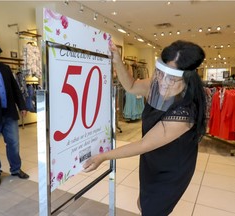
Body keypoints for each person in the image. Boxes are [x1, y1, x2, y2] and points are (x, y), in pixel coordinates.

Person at [83, 40, 206, 216]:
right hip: (151, 161)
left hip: (171, 169)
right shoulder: (157, 84)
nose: (163, 82)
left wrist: (103, 157)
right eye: (161, 74)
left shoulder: (184, 114)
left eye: (172, 79)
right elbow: (132, 86)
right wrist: (117, 60)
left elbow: (143, 144)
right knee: (143, 204)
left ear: (187, 79)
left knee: (153, 210)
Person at [0, 39, 29, 187]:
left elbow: (16, 89)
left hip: (9, 113)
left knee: (13, 144)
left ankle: (16, 169)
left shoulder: (4, 68)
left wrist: (22, 105)